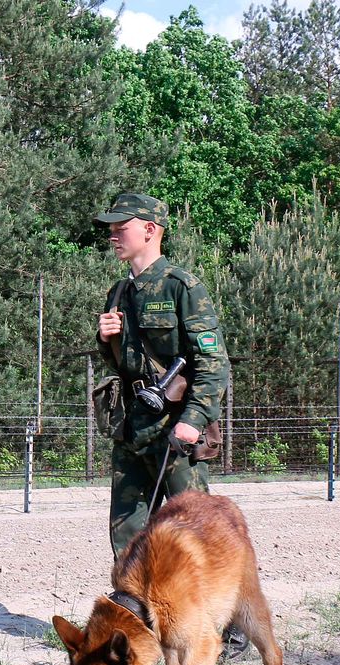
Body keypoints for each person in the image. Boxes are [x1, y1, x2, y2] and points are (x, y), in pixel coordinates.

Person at [93, 192, 229, 555]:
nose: (113, 235)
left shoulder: (181, 287)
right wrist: (106, 340)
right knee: (128, 538)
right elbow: (121, 365)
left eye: (121, 227)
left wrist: (193, 420)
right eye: (111, 229)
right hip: (131, 427)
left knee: (194, 535)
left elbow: (213, 363)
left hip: (175, 428)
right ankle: (135, 595)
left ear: (150, 230)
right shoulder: (119, 293)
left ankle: (205, 596)